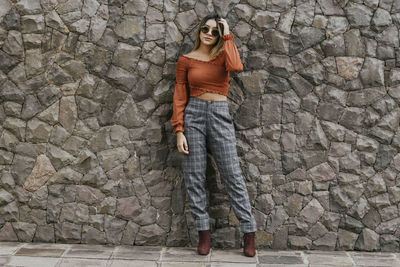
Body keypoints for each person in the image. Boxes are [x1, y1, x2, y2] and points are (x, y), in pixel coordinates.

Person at [170, 13, 257, 257]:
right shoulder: (186, 60)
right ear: (198, 32)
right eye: (205, 30)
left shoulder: (223, 55)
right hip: (193, 115)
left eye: (214, 31)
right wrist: (179, 130)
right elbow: (179, 95)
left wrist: (227, 31)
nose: (209, 34)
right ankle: (203, 233)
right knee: (194, 176)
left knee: (232, 175)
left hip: (219, 113)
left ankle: (249, 232)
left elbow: (237, 66)